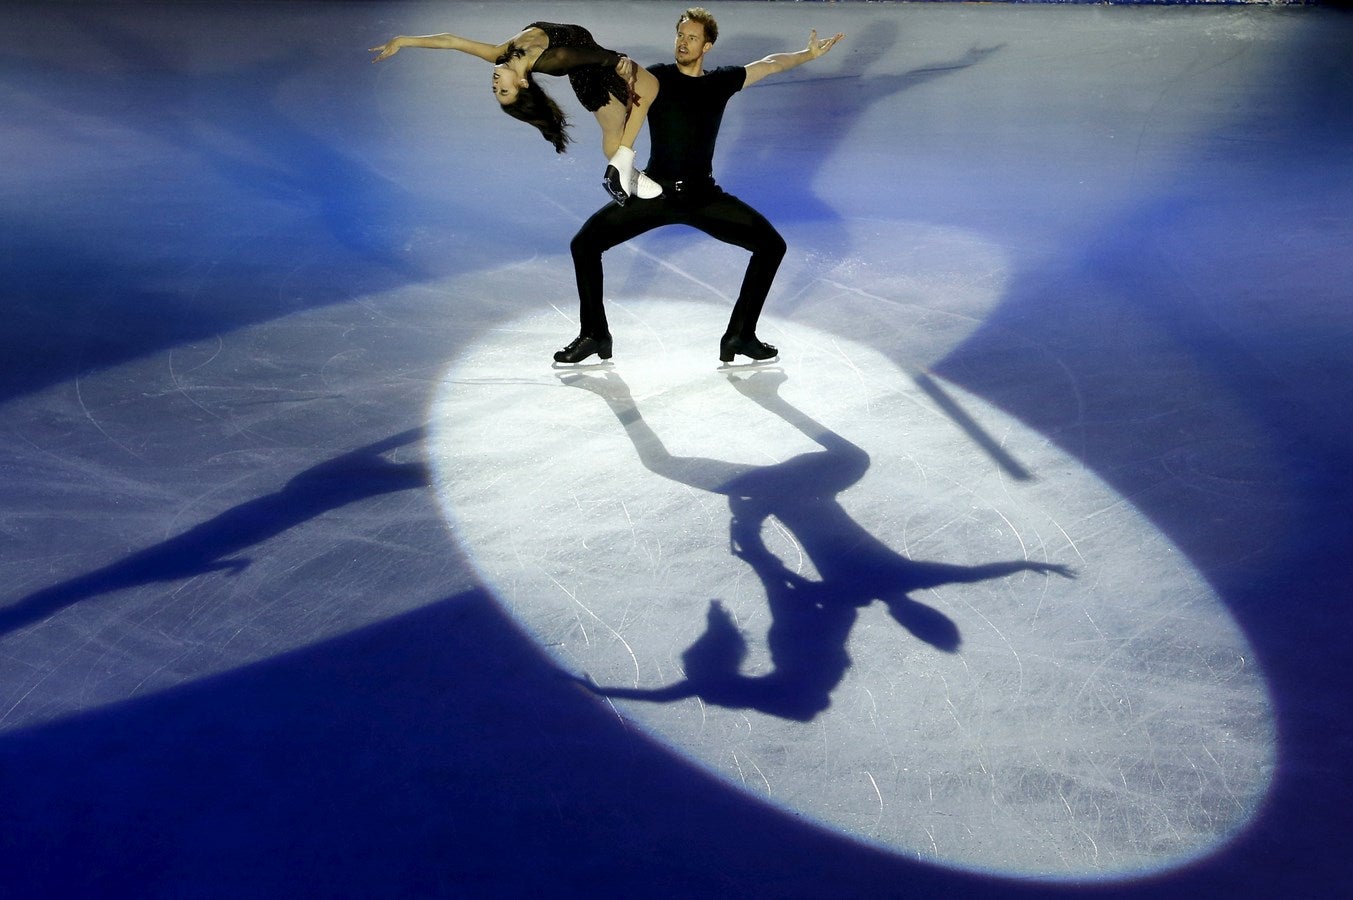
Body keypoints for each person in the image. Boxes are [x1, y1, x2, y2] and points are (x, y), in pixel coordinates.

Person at [554, 8, 844, 365]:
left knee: (771, 247)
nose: (683, 42)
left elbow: (769, 64)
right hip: (655, 193)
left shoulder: (719, 83)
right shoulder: (656, 78)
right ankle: (594, 334)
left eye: (692, 37)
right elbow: (623, 70)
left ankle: (741, 334)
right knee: (584, 245)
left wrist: (807, 54)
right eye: (680, 35)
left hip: (702, 197)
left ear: (707, 45)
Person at [370, 23, 661, 202]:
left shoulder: (500, 53)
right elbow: (577, 55)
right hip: (596, 66)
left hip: (589, 72)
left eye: (495, 90)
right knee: (650, 89)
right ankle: (624, 164)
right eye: (504, 91)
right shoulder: (552, 61)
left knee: (615, 132)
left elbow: (452, 41)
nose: (495, 85)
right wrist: (616, 60)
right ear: (523, 84)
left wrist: (403, 40)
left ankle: (625, 169)